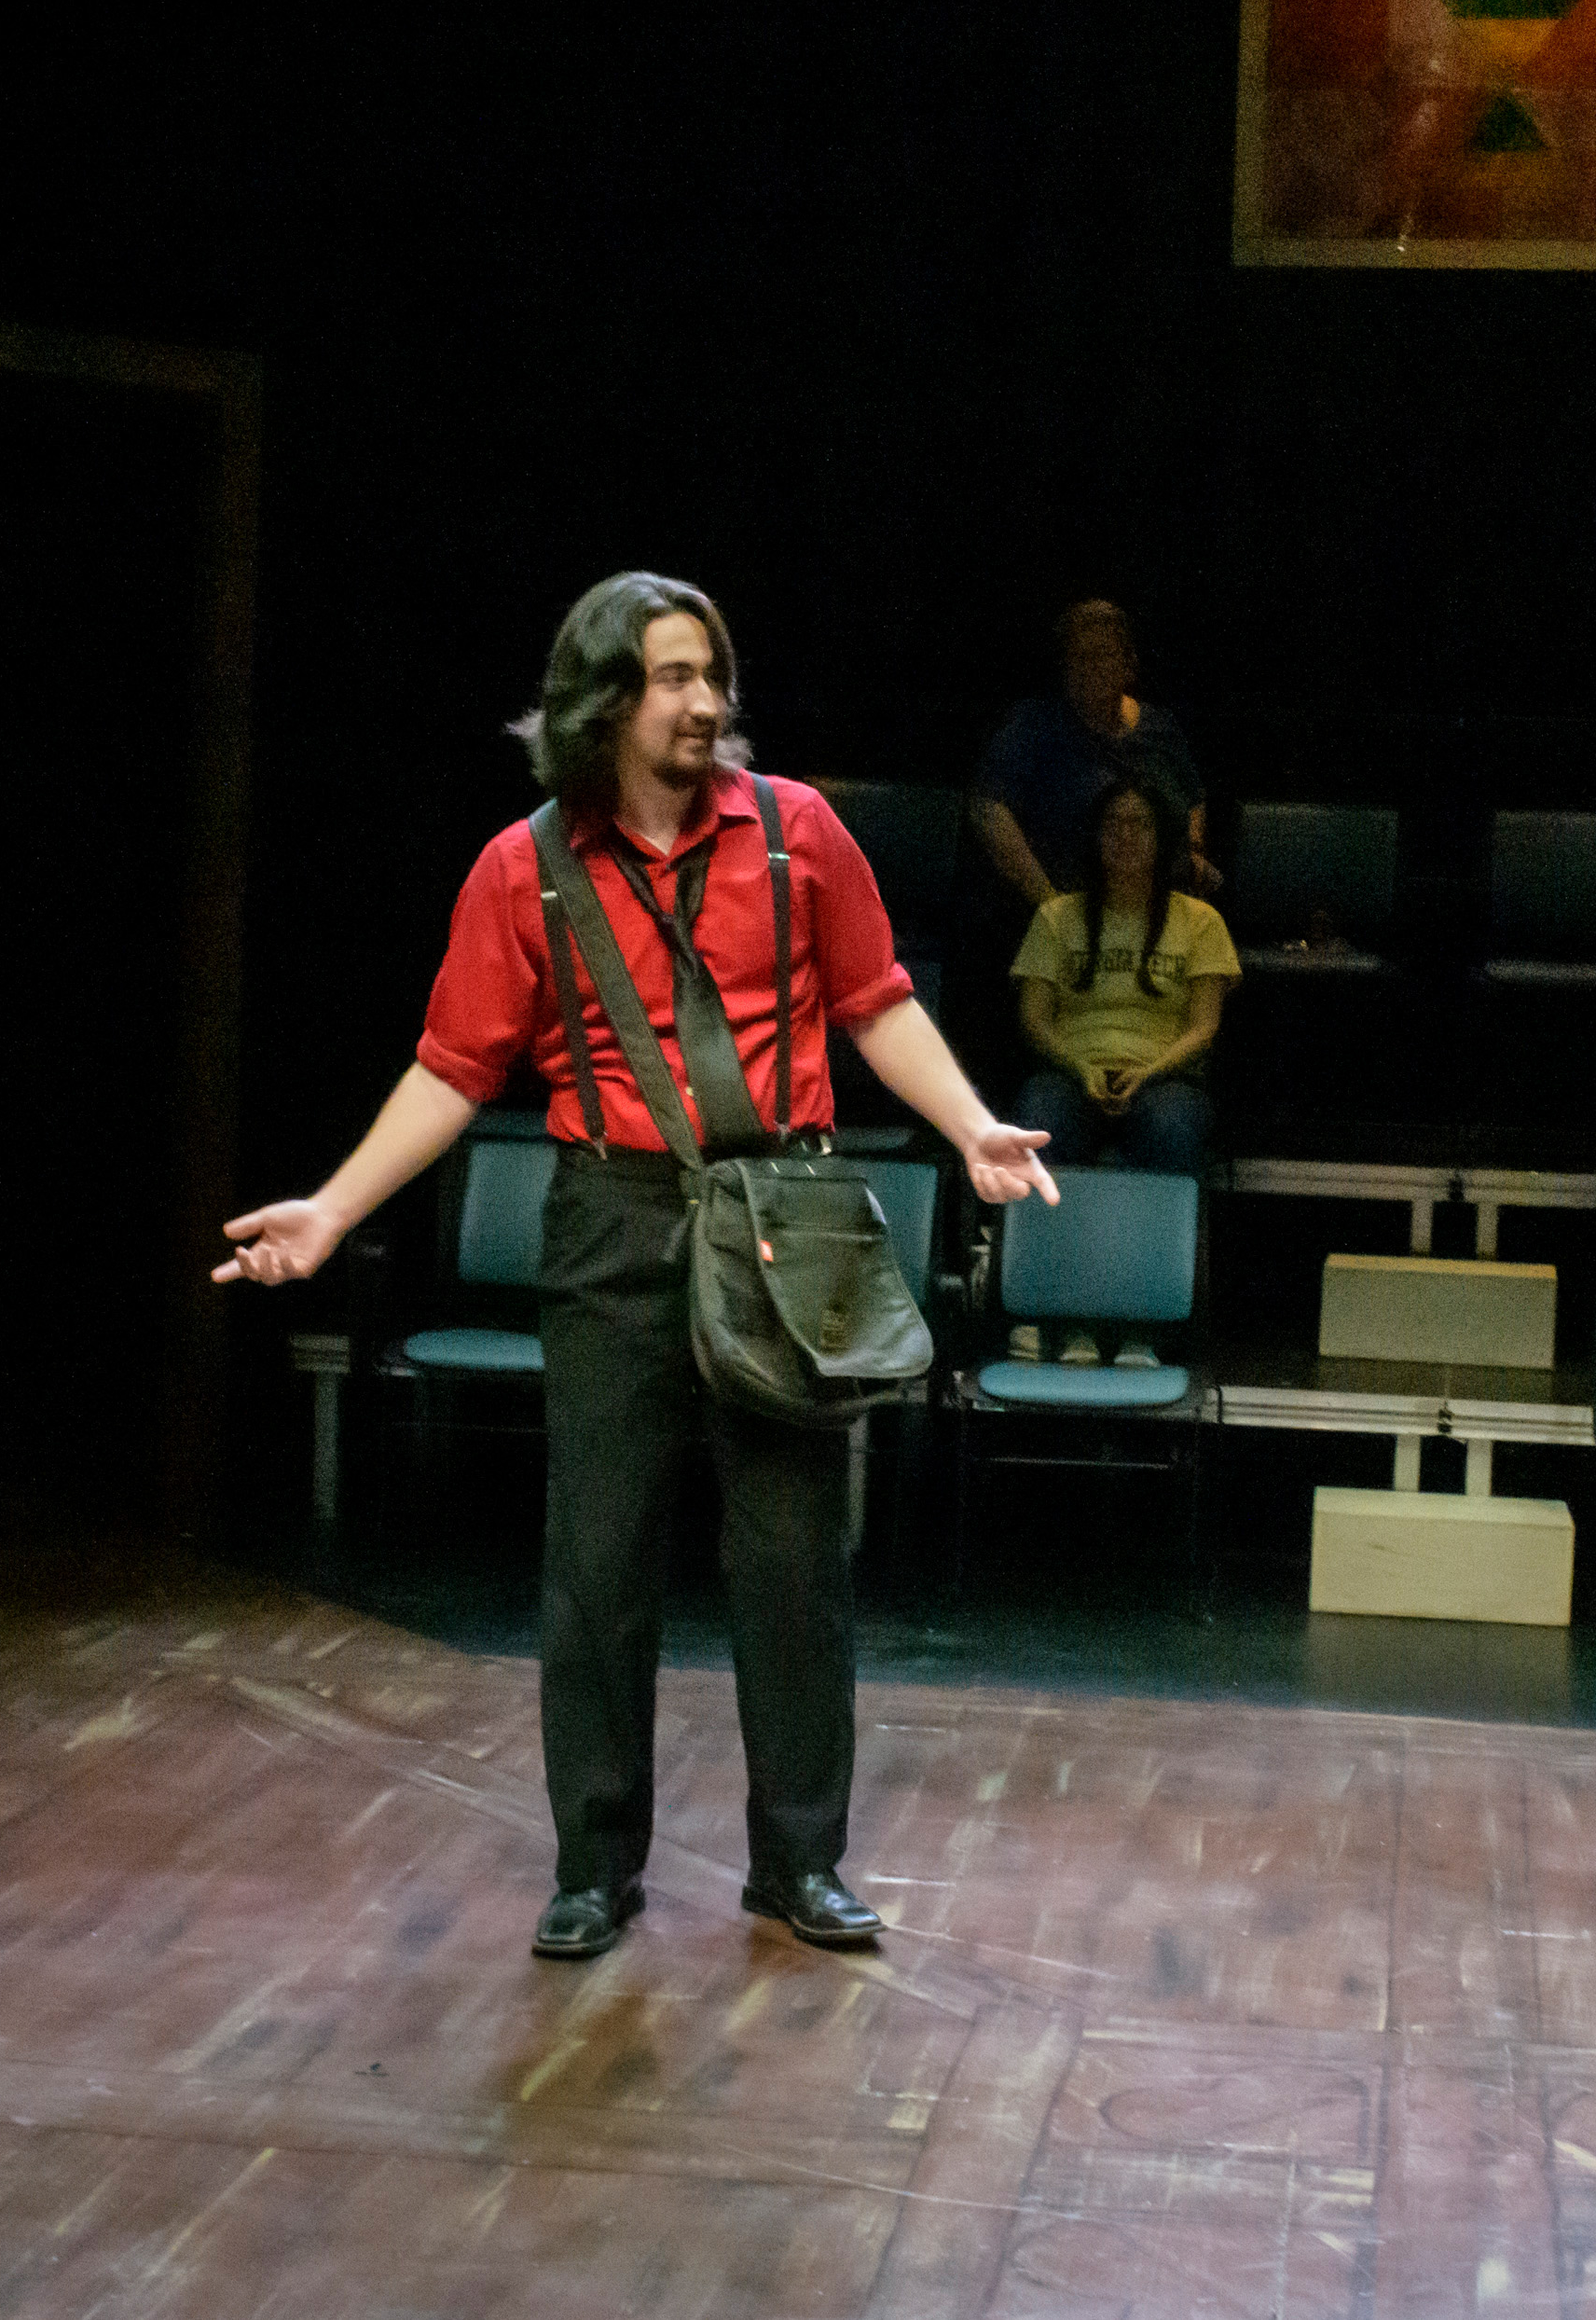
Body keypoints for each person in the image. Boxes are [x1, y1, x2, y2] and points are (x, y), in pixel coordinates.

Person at [214, 573, 1055, 1964]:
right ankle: (594, 1867)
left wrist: (969, 1127)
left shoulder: (797, 831)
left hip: (780, 1217)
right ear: (604, 697)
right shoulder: (524, 866)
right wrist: (331, 1206)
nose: (706, 700)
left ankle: (799, 1861)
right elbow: (454, 1066)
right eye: (673, 676)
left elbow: (876, 1001)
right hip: (612, 1218)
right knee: (598, 1558)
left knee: (792, 1559)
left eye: (713, 673)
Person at [1011, 775, 1239, 1183]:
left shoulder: (1201, 921)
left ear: (1162, 839)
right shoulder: (1056, 916)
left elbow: (1205, 1026)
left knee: (1172, 1124)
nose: (1125, 835)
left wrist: (1149, 1072)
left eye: (1140, 824)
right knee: (1040, 1112)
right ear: (1095, 836)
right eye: (1113, 824)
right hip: (1071, 1073)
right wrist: (1083, 1068)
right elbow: (1034, 1019)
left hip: (1166, 1077)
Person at [971, 599, 1218, 916]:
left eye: (1102, 654)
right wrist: (1050, 904)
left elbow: (1193, 796)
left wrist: (1194, 851)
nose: (1090, 667)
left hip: (1164, 911)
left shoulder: (1161, 727)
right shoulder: (1033, 726)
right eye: (1078, 656)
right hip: (1074, 912)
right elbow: (988, 808)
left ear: (1128, 665)